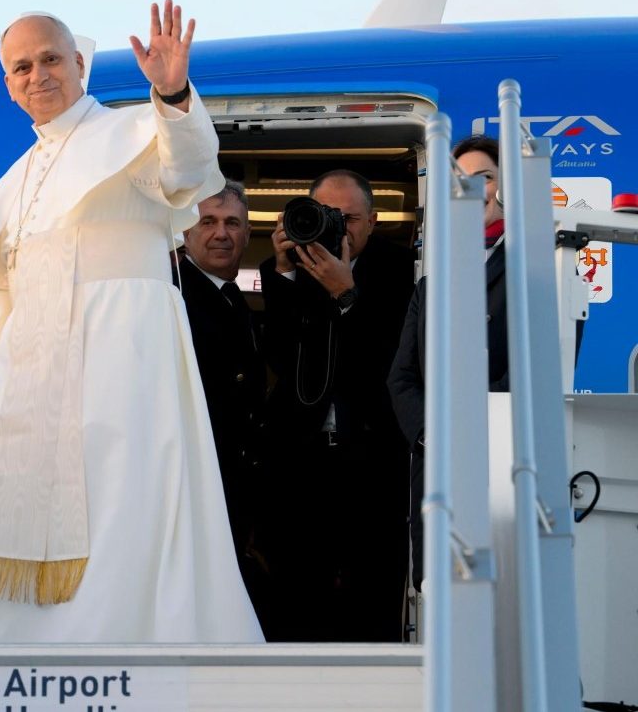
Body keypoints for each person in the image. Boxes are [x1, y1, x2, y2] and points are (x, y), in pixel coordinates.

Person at [0, 1, 264, 643]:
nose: (37, 75)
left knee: (123, 499)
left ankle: (112, 643)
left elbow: (187, 170)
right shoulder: (16, 179)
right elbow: (4, 297)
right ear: (9, 87)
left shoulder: (133, 130)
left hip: (123, 352)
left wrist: (174, 92)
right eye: (21, 68)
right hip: (36, 379)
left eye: (49, 60)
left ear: (78, 64)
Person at [259, 169, 414, 642]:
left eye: (348, 218)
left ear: (373, 221)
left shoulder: (404, 268)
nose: (337, 228)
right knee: (299, 581)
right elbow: (281, 359)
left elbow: (395, 364)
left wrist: (346, 294)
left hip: (375, 456)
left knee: (374, 582)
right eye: (326, 215)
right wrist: (286, 272)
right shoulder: (287, 269)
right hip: (302, 457)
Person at [388, 135, 508, 593]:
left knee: (499, 605)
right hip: (436, 472)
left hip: (499, 470)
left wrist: (467, 427)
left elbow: (535, 374)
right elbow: (401, 377)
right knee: (440, 599)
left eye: (487, 178)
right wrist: (432, 432)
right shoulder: (431, 285)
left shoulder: (537, 270)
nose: (475, 190)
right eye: (463, 182)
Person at [177, 182, 272, 627]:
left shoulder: (231, 297)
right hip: (192, 489)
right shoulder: (172, 293)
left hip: (231, 487)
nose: (221, 233)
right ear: (185, 231)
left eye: (232, 222)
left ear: (247, 231)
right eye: (208, 221)